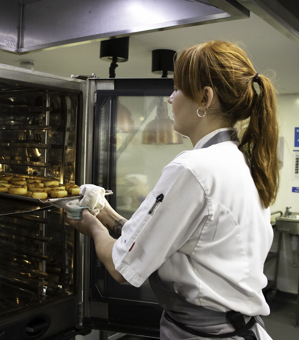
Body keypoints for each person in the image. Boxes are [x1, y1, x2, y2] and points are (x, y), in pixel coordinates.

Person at [66, 40, 279, 340]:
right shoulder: (240, 161)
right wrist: (104, 212)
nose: (169, 99)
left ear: (205, 98)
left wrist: (91, 227)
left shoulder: (194, 168)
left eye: (177, 88)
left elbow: (119, 266)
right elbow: (163, 240)